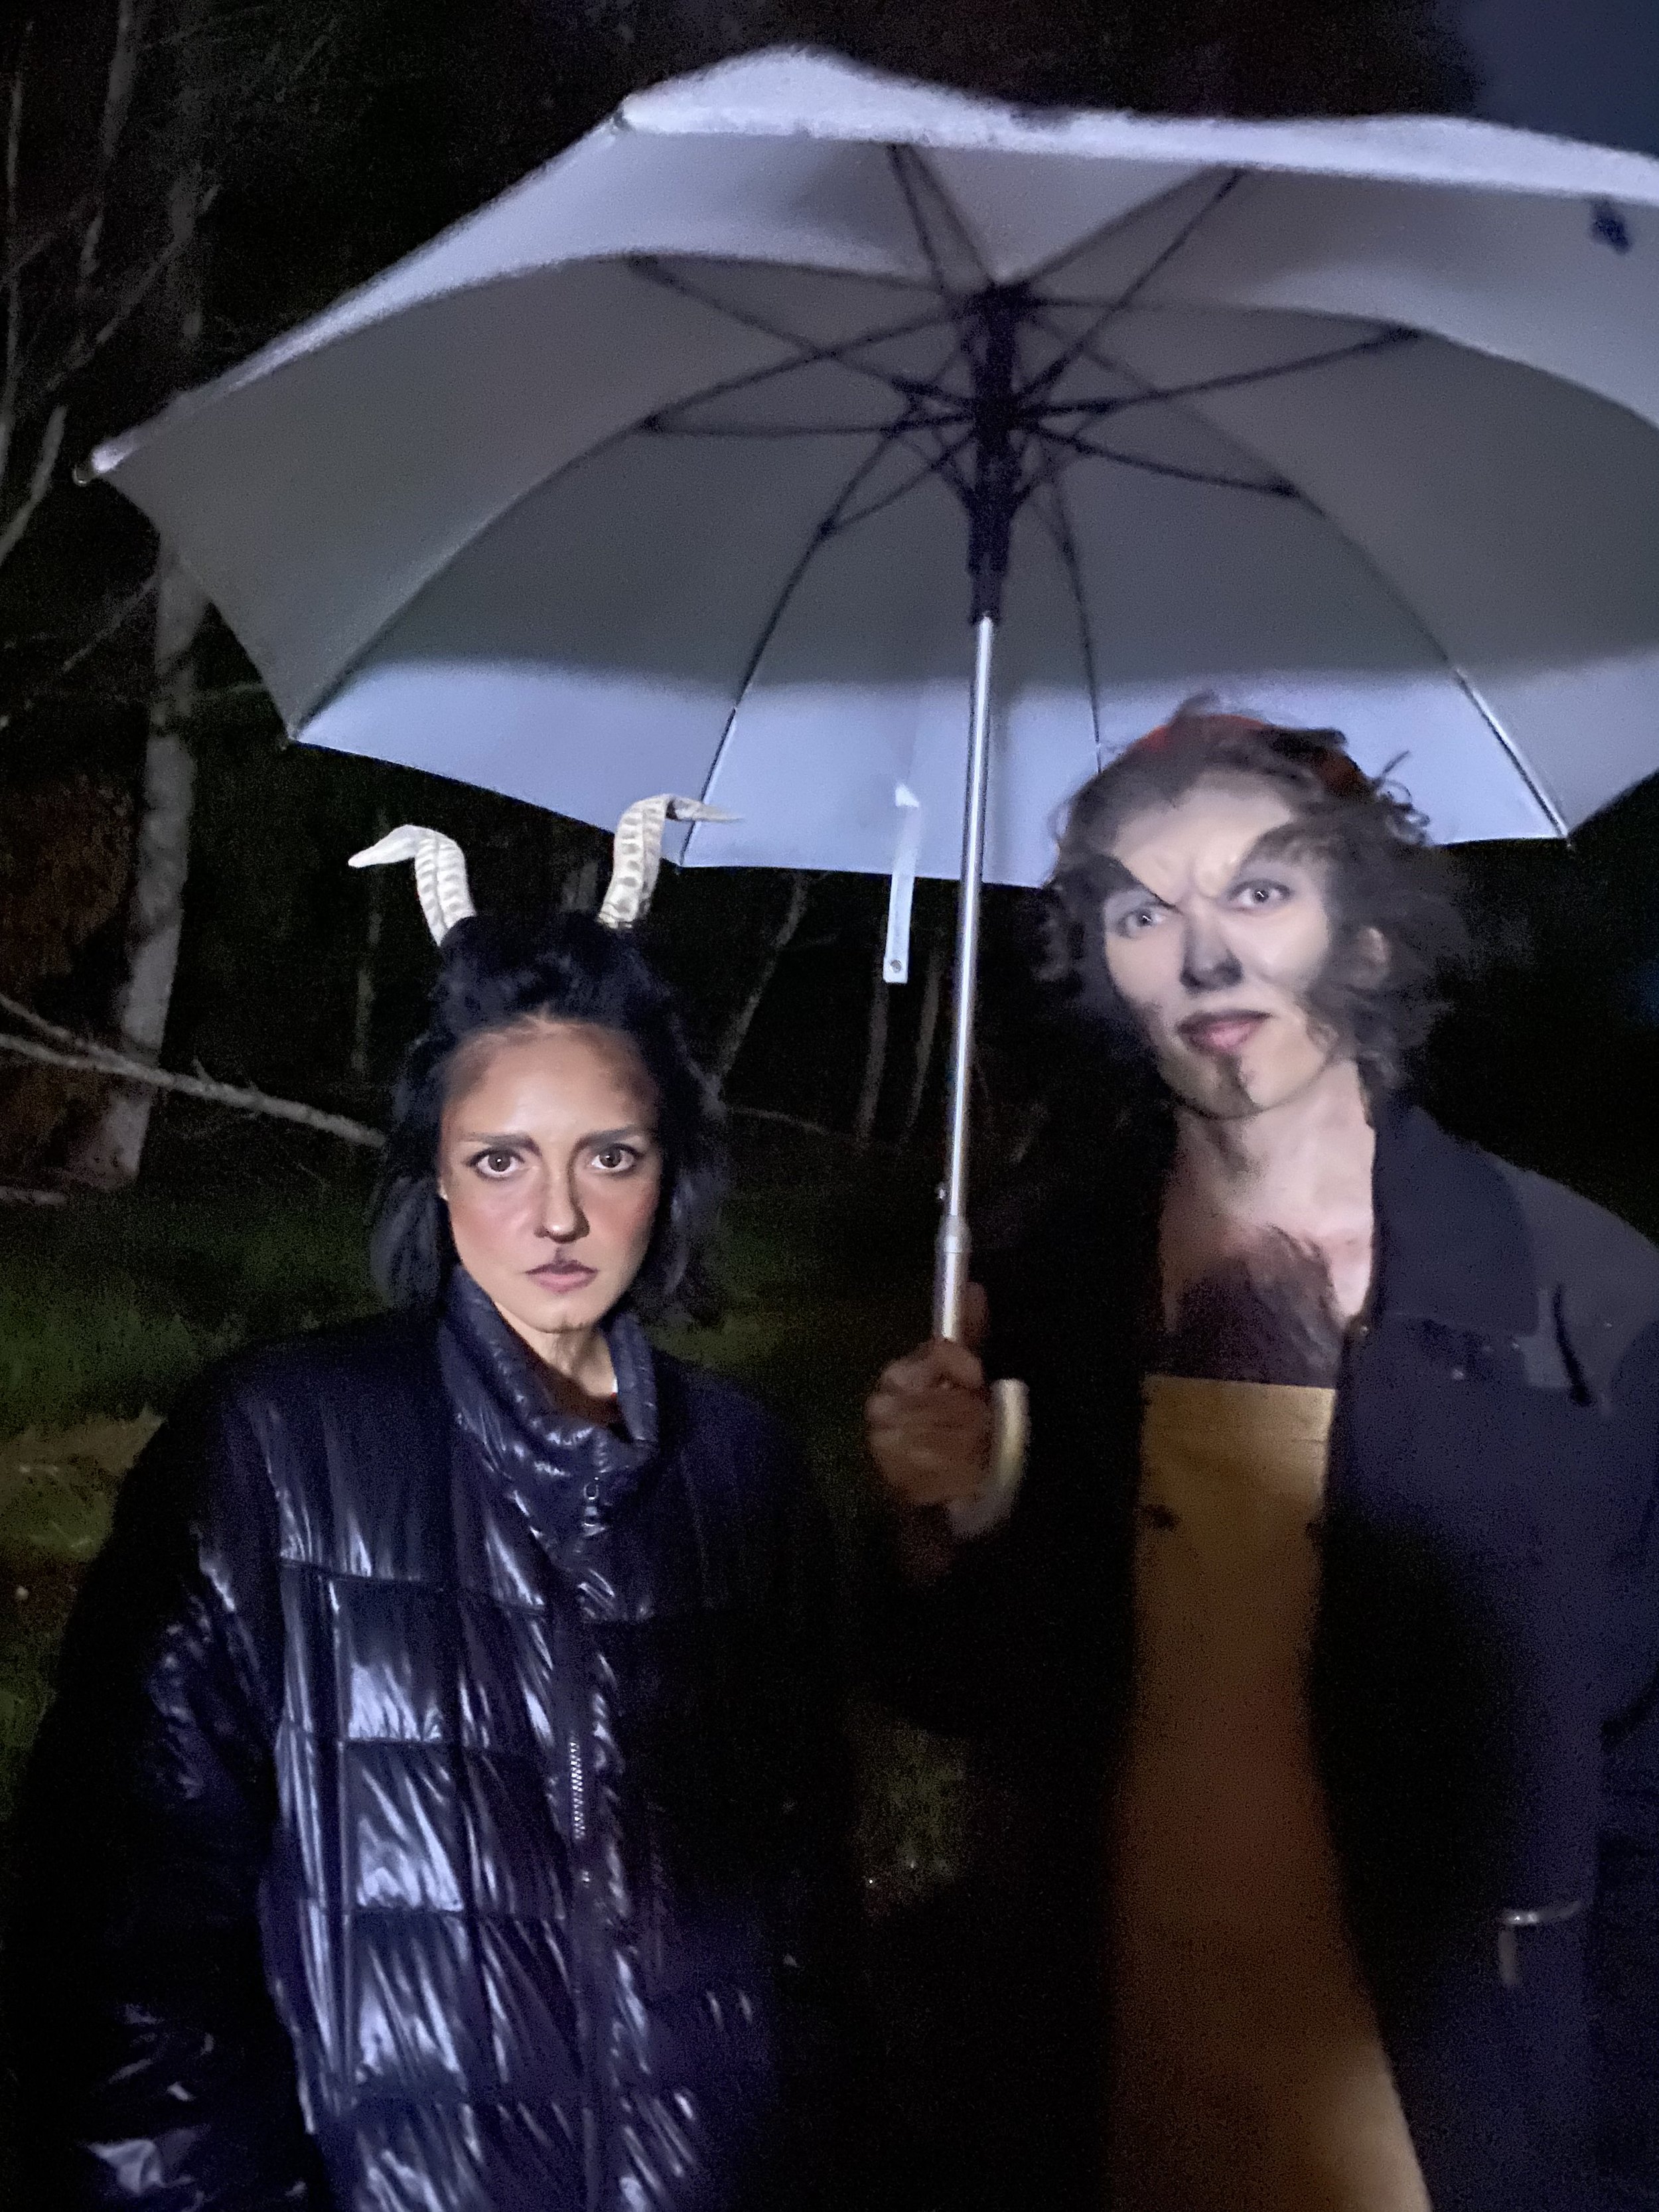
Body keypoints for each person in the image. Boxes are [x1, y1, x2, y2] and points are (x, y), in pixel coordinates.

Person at [865, 705, 1659, 2212]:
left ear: (1367, 936)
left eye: (1261, 890)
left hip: (1438, 2121)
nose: (1205, 957)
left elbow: (1643, 1793)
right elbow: (961, 1691)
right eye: (1141, 913)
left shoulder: (1576, 1307)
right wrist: (935, 1518)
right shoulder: (1045, 1281)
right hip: (1115, 2100)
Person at [7, 818, 850, 2212]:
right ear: (438, 1170)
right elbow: (127, 1950)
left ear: (671, 1167)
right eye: (504, 1159)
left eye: (611, 1155)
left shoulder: (746, 1466)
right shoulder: (272, 1447)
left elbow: (806, 1915)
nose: (559, 1215)